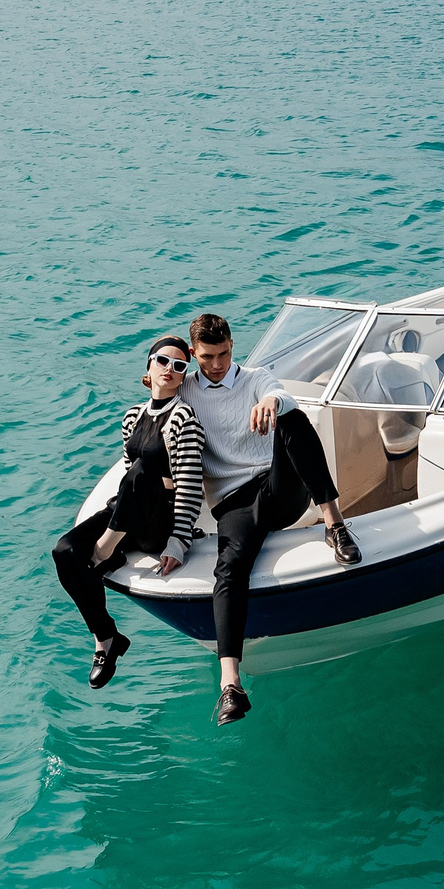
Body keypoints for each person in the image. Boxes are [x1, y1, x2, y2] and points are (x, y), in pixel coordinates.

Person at [183, 311, 360, 725]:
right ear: (194, 354)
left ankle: (334, 523)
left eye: (224, 354)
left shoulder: (255, 377)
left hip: (278, 488)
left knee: (293, 418)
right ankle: (231, 686)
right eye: (207, 357)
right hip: (234, 503)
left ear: (232, 347)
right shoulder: (186, 392)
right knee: (229, 572)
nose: (217, 364)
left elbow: (278, 393)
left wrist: (271, 401)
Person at [49, 336, 207, 688]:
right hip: (128, 512)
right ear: (149, 366)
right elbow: (126, 476)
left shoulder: (185, 418)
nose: (170, 369)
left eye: (180, 366)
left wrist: (179, 541)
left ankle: (106, 552)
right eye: (163, 361)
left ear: (184, 376)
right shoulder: (133, 415)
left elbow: (190, 484)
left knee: (142, 471)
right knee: (64, 552)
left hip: (158, 521)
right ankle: (106, 638)